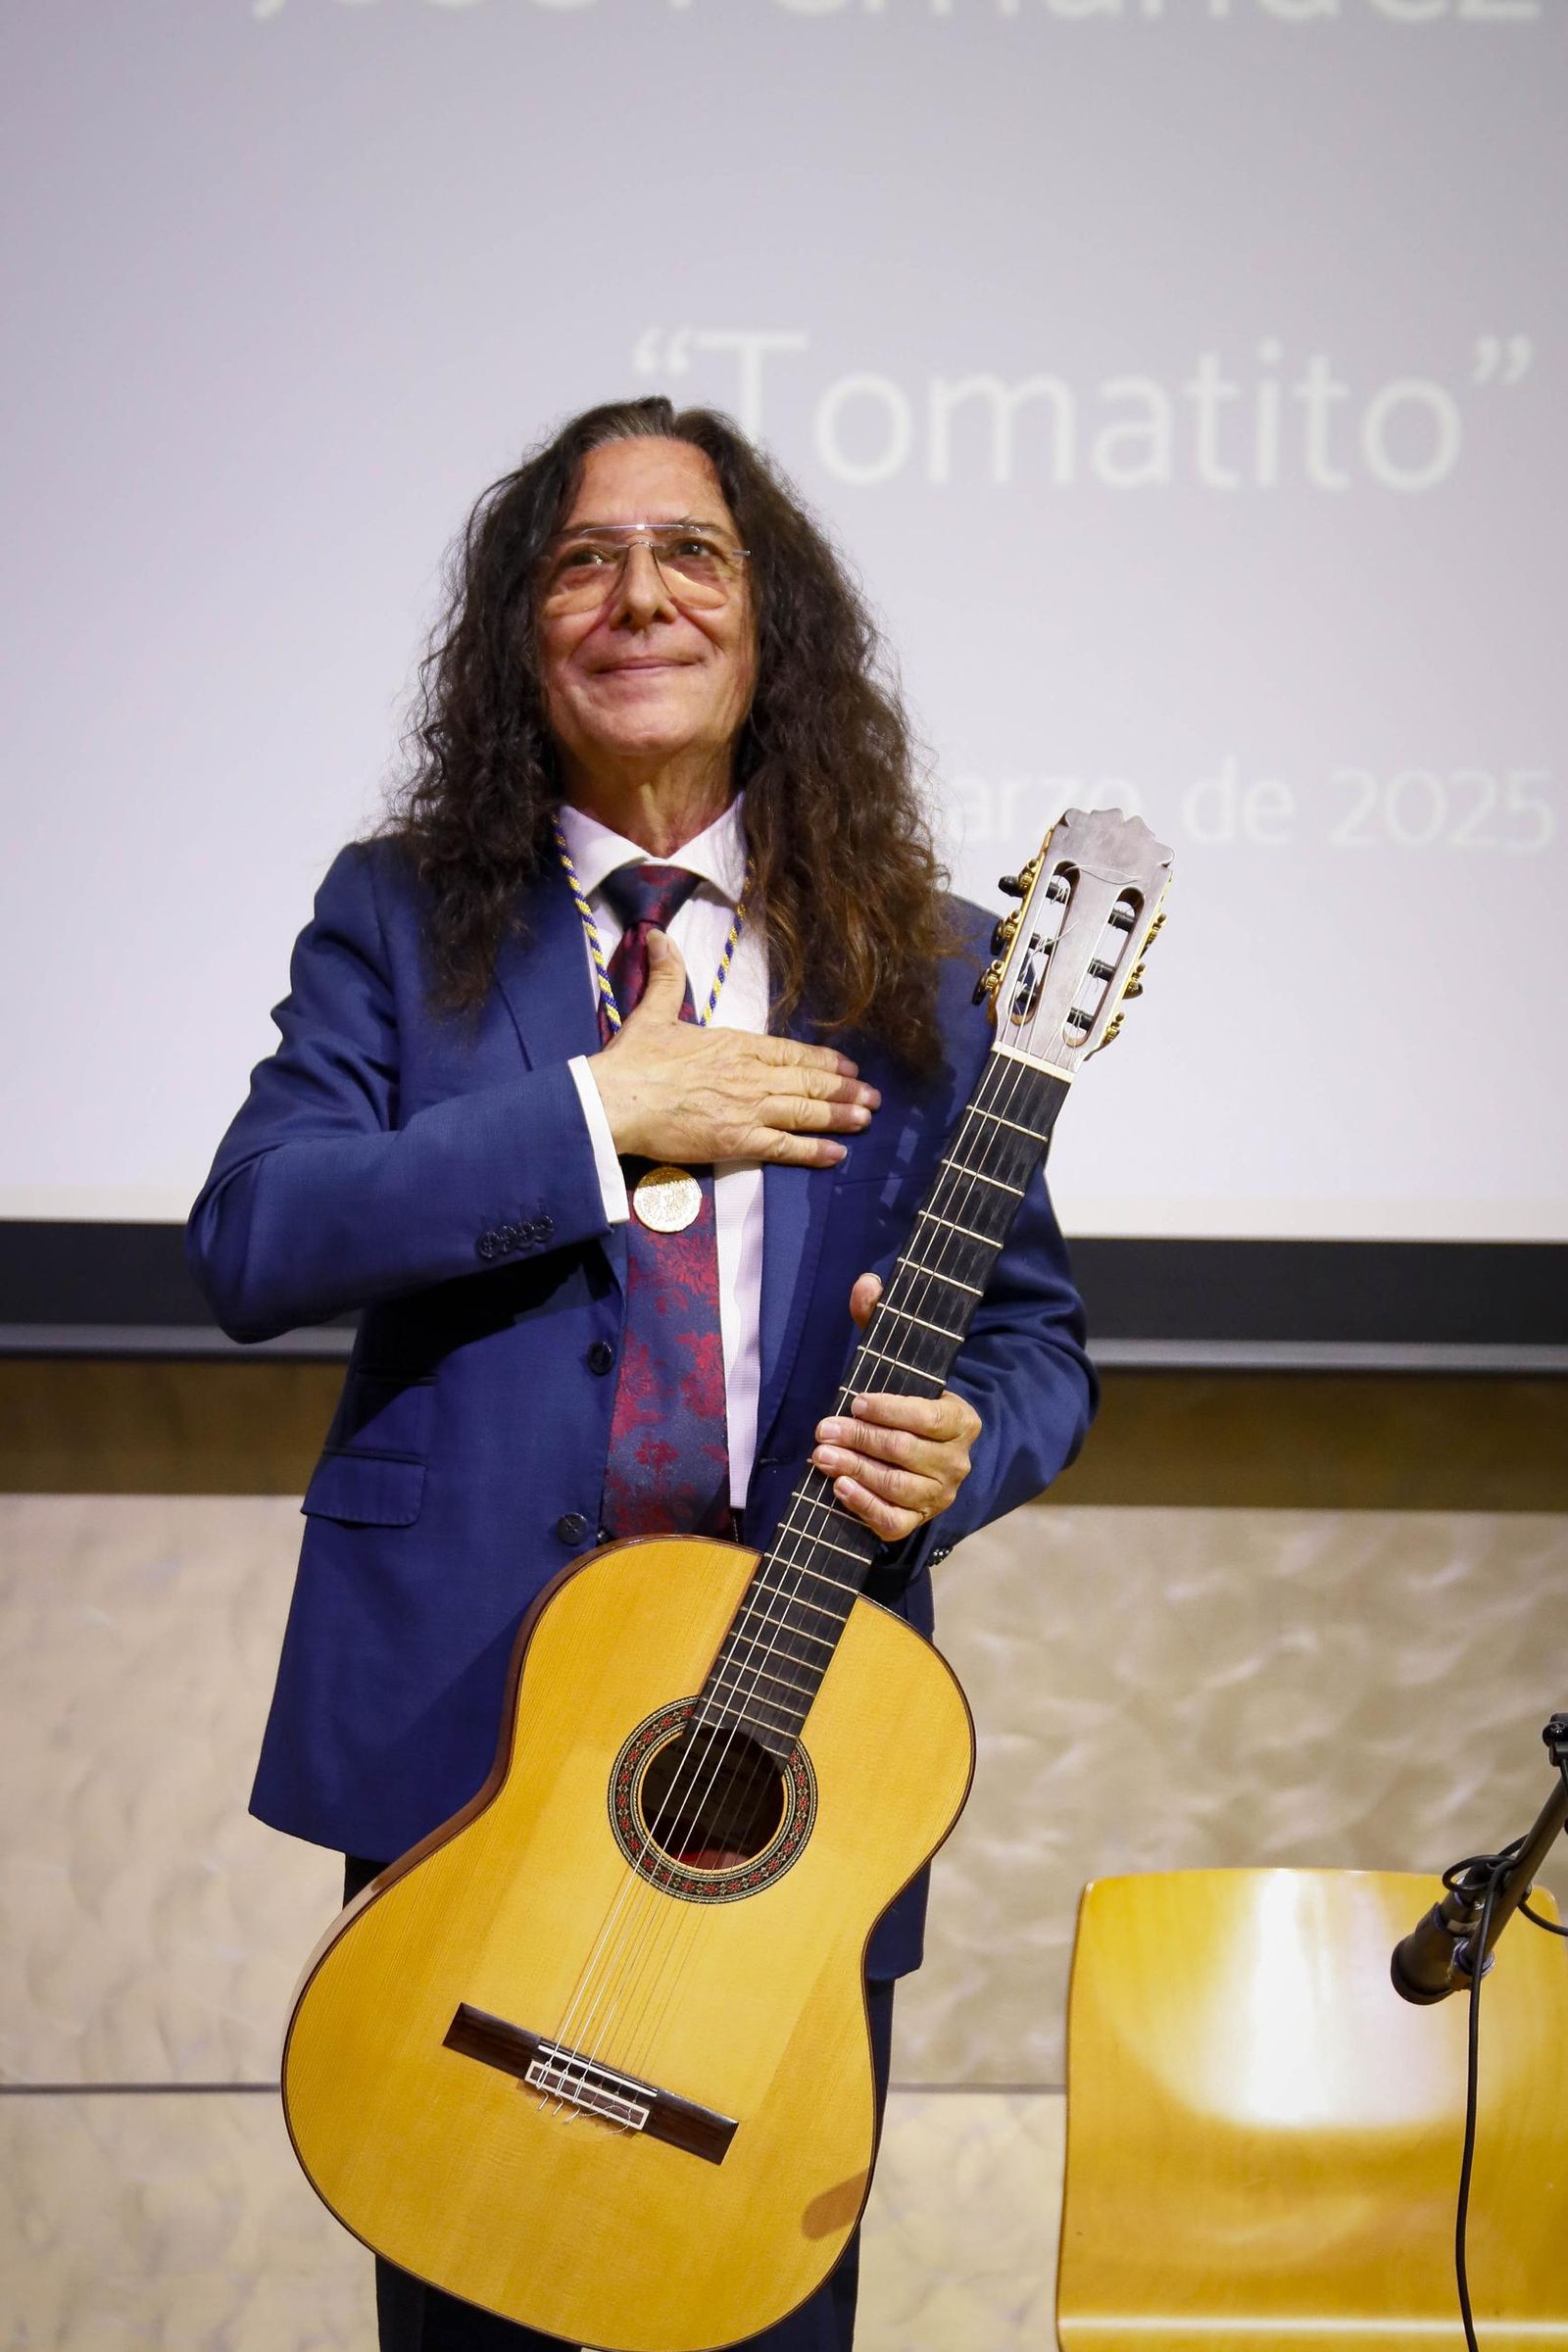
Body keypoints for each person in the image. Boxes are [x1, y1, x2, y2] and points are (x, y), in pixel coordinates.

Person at [187, 396, 1097, 2351]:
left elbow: (1029, 1336)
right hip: (471, 1735)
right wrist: (603, 1110)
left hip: (775, 1779)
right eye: (582, 559)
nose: (636, 596)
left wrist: (973, 1442)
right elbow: (257, 1237)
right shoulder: (401, 919)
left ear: (773, 626)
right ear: (523, 635)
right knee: (465, 2300)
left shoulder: (929, 961)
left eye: (690, 551)